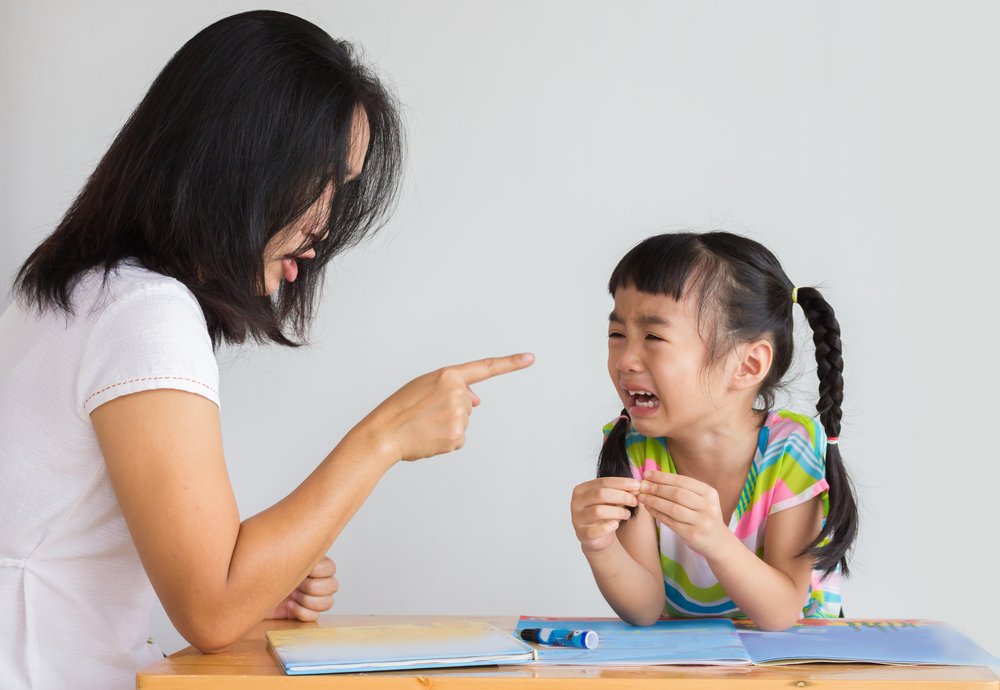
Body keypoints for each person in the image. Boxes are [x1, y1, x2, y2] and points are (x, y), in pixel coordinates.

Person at [0, 10, 532, 689]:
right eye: (321, 177)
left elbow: (189, 587)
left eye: (344, 186)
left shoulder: (82, 290)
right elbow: (212, 609)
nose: (326, 222)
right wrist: (384, 438)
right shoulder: (143, 311)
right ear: (237, 159)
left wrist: (259, 583)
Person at [570, 232, 858, 630]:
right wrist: (599, 547)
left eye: (654, 336)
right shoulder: (631, 446)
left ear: (747, 366)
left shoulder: (790, 448)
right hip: (695, 665)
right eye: (617, 335)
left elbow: (781, 613)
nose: (626, 360)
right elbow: (645, 608)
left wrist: (714, 538)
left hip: (795, 664)